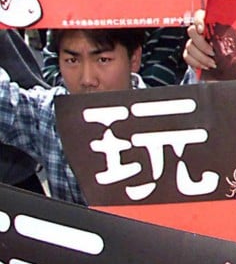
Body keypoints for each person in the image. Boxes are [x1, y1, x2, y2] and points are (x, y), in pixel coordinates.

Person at [0, 28, 147, 204]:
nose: (87, 79)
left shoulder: (168, 116)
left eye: (103, 60)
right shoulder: (50, 114)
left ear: (134, 58)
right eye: (72, 60)